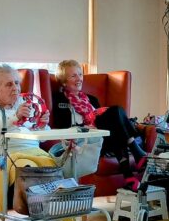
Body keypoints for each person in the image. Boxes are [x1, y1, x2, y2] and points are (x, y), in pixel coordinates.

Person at [0, 64, 91, 221]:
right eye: (9, 84)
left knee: (52, 166)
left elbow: (36, 131)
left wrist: (42, 125)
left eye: (17, 83)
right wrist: (13, 119)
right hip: (1, 154)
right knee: (29, 168)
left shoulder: (24, 104)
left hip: (32, 151)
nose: (16, 88)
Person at [51, 60, 147, 191]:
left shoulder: (92, 99)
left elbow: (106, 120)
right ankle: (135, 152)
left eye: (80, 74)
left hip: (103, 138)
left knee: (116, 115)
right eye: (73, 76)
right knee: (115, 114)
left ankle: (130, 177)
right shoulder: (59, 100)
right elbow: (61, 125)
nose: (79, 79)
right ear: (63, 81)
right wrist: (85, 127)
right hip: (84, 142)